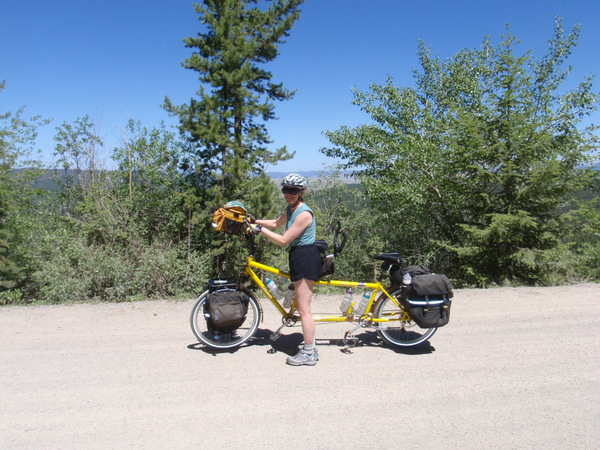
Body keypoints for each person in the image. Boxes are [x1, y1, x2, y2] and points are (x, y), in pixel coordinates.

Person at [248, 173, 321, 366]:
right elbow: (276, 223)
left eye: (293, 191)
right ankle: (309, 348)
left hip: (306, 257)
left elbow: (283, 239)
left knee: (304, 309)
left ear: (301, 192)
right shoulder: (291, 209)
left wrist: (259, 230)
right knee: (301, 305)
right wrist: (255, 221)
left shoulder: (304, 213)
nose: (288, 194)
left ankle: (309, 352)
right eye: (285, 190)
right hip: (298, 255)